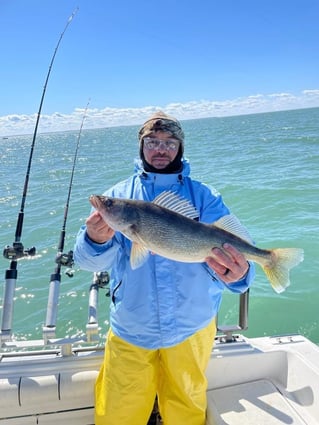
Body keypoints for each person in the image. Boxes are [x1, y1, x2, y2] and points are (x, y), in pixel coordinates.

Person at [74, 111, 255, 425]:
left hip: (192, 326)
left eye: (170, 143)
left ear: (180, 148)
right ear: (142, 146)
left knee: (186, 406)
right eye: (153, 142)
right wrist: (93, 239)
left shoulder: (205, 197)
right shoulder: (118, 198)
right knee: (118, 411)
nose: (161, 149)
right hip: (132, 326)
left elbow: (233, 253)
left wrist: (240, 275)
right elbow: (89, 263)